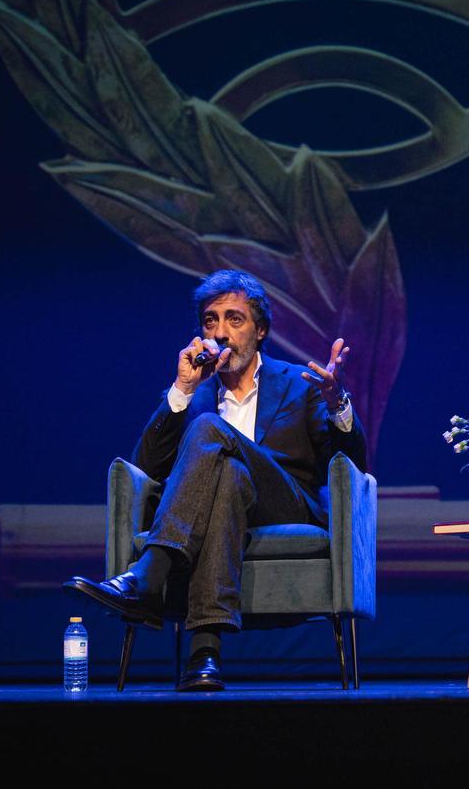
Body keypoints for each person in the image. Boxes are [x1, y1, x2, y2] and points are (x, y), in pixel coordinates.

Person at [65, 270, 367, 691]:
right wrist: (181, 389)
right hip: (223, 505)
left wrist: (339, 404)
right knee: (227, 476)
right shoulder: (197, 393)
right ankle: (204, 655)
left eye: (234, 319)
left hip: (284, 503)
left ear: (260, 330)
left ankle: (148, 576)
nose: (221, 332)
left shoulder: (300, 385)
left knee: (210, 428)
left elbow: (351, 462)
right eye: (210, 321)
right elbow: (147, 470)